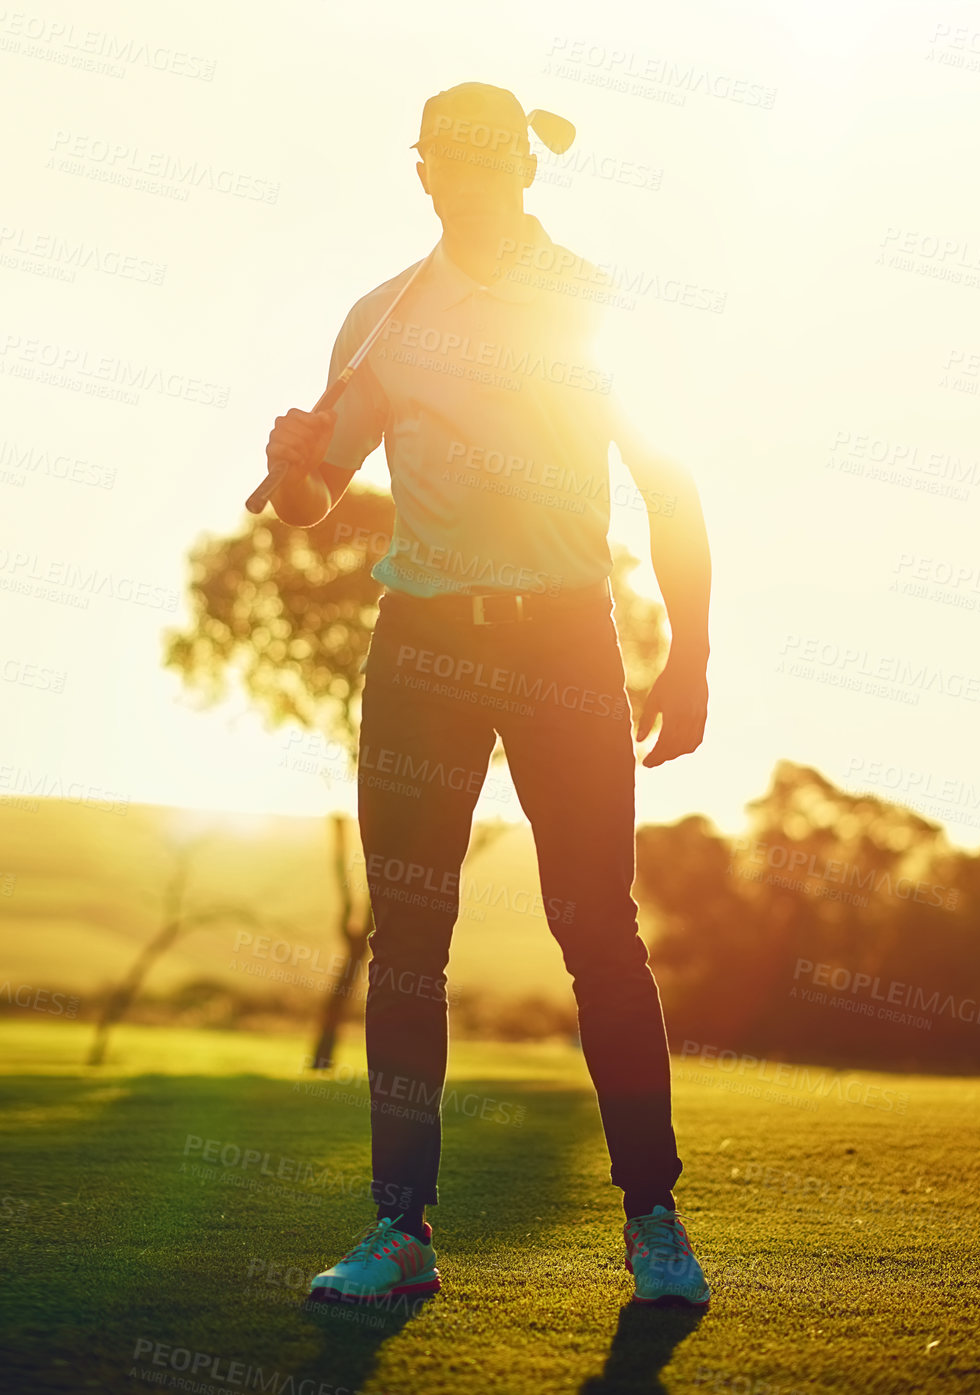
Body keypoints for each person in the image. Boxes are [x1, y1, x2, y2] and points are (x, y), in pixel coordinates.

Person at [263, 83, 713, 1309]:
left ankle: (652, 1222)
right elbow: (314, 498)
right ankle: (398, 1231)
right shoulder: (380, 321)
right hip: (421, 641)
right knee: (406, 939)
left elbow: (668, 489)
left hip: (563, 639)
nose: (467, 178)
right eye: (445, 160)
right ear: (421, 174)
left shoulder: (587, 304)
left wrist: (690, 653)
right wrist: (291, 468)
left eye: (489, 158)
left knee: (596, 933)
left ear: (523, 168)